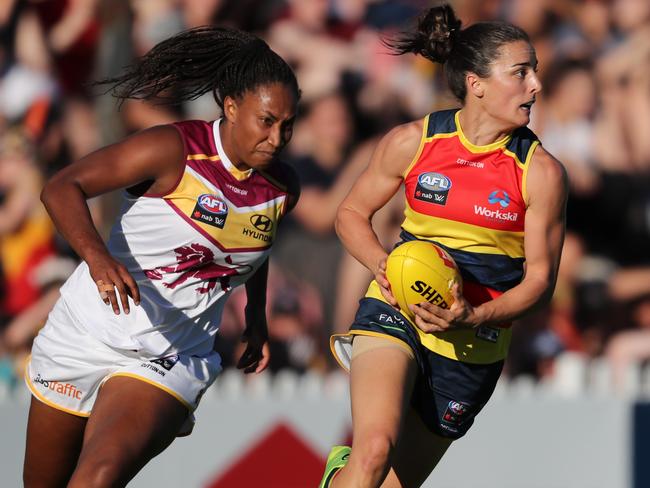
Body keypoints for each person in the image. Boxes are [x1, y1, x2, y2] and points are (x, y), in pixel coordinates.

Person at [22, 26, 300, 487]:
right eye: (266, 121)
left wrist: (256, 316)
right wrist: (97, 258)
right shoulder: (172, 148)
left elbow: (249, 247)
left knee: (99, 475)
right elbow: (60, 187)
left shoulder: (283, 187)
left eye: (288, 125)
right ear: (230, 107)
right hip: (86, 333)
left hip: (171, 356)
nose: (277, 137)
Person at [319, 4, 568, 488]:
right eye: (520, 73)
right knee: (371, 451)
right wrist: (381, 264)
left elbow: (540, 282)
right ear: (476, 84)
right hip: (396, 311)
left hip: (474, 341)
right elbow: (349, 214)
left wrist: (474, 317)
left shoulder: (541, 172)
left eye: (534, 72)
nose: (535, 85)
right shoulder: (414, 141)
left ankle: (335, 479)